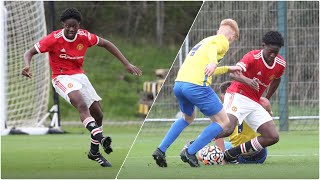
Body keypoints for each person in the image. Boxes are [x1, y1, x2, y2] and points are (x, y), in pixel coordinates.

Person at [21, 8, 142, 167]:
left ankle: (94, 152)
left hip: (79, 76)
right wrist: (26, 66)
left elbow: (106, 43)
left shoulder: (85, 36)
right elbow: (29, 52)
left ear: (79, 25)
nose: (71, 29)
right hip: (61, 77)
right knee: (81, 105)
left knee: (98, 114)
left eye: (74, 26)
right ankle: (101, 138)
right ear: (63, 25)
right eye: (68, 26)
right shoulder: (53, 39)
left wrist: (126, 64)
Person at [152, 19, 241, 167]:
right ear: (231, 35)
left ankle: (161, 150)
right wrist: (213, 62)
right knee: (223, 122)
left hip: (180, 84)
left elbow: (208, 70)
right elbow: (213, 51)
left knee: (187, 118)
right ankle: (191, 151)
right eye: (233, 40)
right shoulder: (221, 41)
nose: (230, 43)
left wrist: (227, 68)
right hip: (197, 86)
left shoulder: (204, 41)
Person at [220, 31, 286, 162]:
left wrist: (267, 97)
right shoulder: (252, 57)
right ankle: (193, 146)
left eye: (276, 52)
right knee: (227, 129)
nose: (272, 55)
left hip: (253, 102)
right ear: (264, 45)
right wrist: (248, 81)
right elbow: (233, 74)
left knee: (272, 136)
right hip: (238, 94)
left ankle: (230, 154)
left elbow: (277, 79)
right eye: (270, 51)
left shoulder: (280, 64)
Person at [217, 81, 271, 164]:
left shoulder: (223, 110)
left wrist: (223, 160)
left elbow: (218, 138)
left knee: (210, 147)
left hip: (240, 157)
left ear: (223, 96)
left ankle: (193, 147)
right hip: (261, 154)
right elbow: (265, 102)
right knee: (226, 144)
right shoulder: (249, 102)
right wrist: (269, 111)